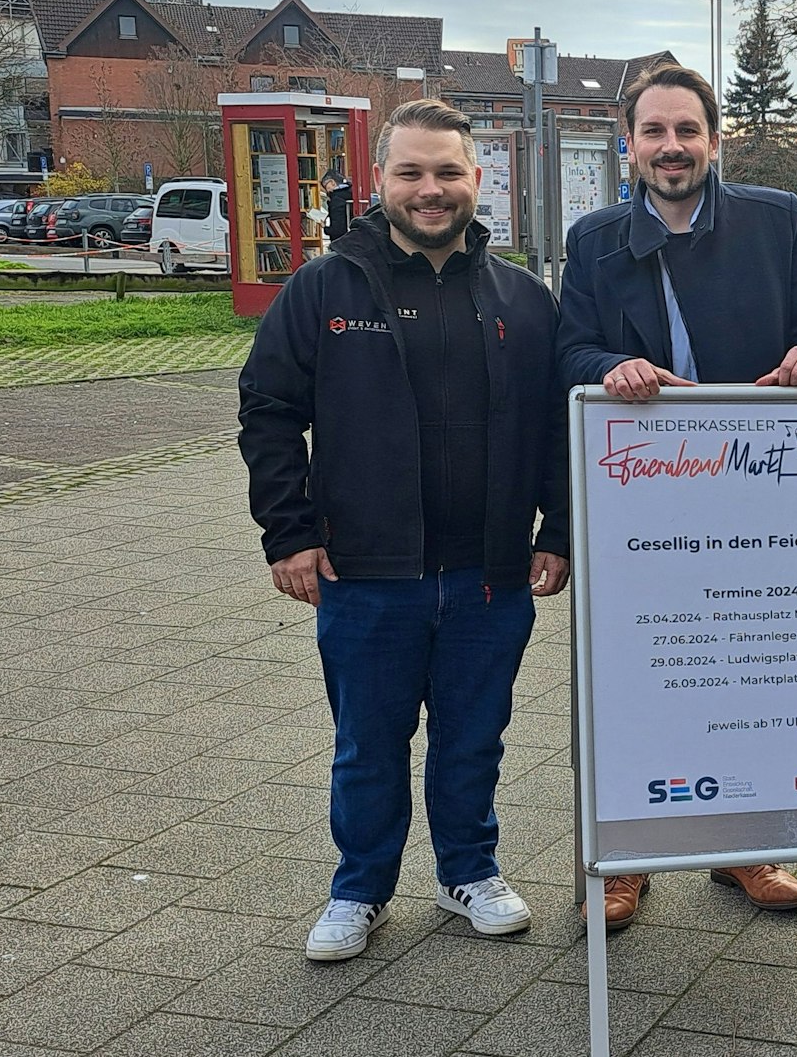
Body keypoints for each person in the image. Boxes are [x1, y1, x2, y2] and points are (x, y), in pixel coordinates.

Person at [238, 99, 571, 962]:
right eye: (412, 172)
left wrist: (559, 529)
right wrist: (289, 532)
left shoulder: (525, 301)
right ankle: (359, 886)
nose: (431, 190)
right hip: (364, 572)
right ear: (380, 179)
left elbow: (556, 427)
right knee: (368, 745)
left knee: (473, 738)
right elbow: (269, 410)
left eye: (448, 172)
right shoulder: (323, 287)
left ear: (476, 179)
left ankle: (469, 871)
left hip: (489, 573)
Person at [556, 63, 797, 927]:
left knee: (742, 673)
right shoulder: (593, 239)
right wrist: (612, 366)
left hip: (750, 499)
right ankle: (626, 858)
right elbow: (567, 354)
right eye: (654, 132)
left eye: (687, 130)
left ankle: (743, 843)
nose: (671, 147)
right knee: (634, 673)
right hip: (638, 501)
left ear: (713, 140)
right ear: (630, 143)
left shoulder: (774, 220)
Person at [319, 169, 353, 241]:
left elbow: (337, 229)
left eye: (326, 187)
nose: (328, 191)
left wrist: (325, 228)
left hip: (342, 242)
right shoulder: (351, 192)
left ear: (332, 182)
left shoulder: (336, 199)